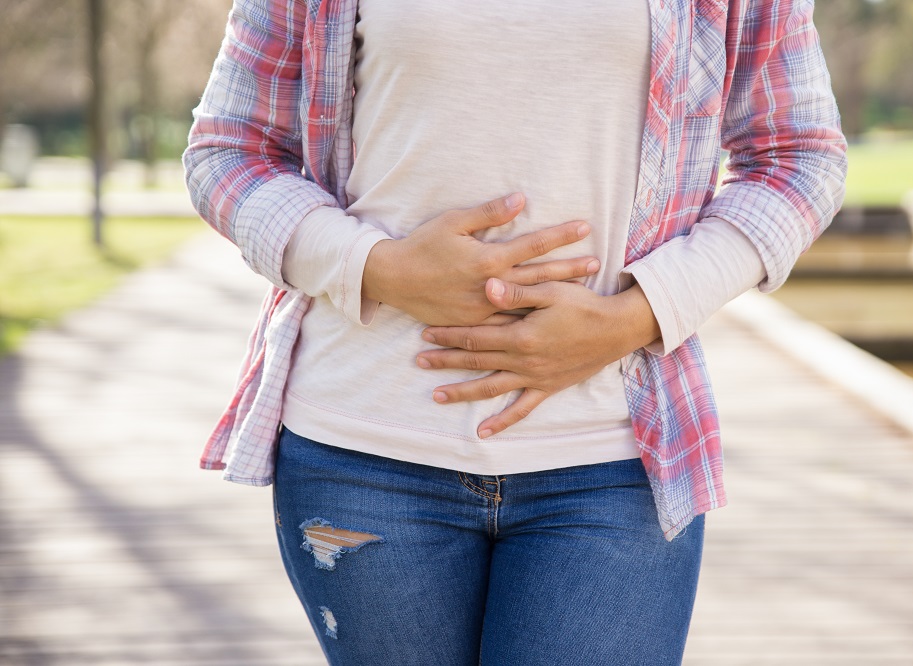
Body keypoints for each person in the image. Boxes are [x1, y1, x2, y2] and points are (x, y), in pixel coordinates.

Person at [184, 0, 847, 663]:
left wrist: (636, 315)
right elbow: (230, 151)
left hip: (613, 456)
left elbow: (798, 161)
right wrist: (376, 268)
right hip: (364, 454)